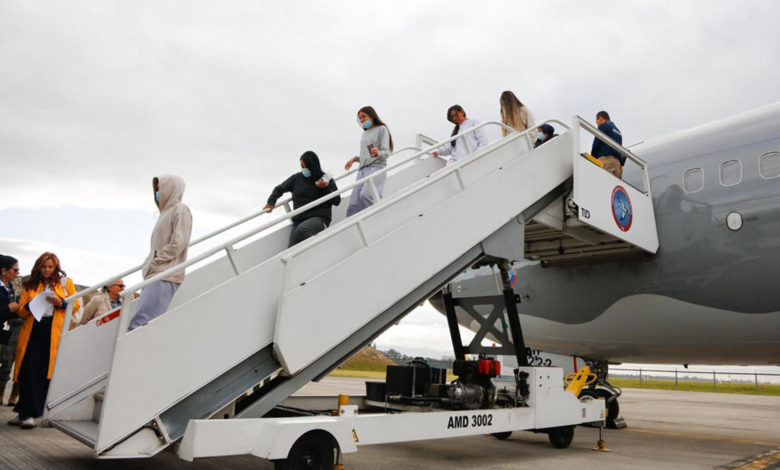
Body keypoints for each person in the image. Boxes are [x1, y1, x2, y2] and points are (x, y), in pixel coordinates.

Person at [9, 252, 79, 429]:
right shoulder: (29, 283)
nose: (47, 270)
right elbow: (21, 311)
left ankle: (29, 413)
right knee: (27, 369)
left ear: (56, 268)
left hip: (52, 330)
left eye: (51, 267)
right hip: (34, 328)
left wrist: (60, 302)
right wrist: (31, 306)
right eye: (44, 266)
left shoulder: (65, 283)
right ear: (38, 267)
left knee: (42, 372)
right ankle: (25, 412)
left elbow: (75, 304)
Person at [128, 175, 193, 331]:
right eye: (156, 189)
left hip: (165, 273)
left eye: (160, 188)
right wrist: (151, 262)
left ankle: (135, 354)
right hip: (155, 272)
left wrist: (158, 259)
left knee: (141, 323)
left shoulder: (180, 210)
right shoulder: (165, 213)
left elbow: (180, 240)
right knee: (142, 322)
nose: (157, 192)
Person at [265, 151, 341, 247]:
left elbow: (337, 201)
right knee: (291, 250)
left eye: (305, 167)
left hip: (319, 219)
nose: (303, 169)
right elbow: (279, 189)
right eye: (301, 167)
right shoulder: (296, 178)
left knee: (302, 230)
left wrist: (324, 188)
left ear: (312, 166)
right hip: (298, 221)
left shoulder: (325, 178)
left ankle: (321, 248)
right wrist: (271, 202)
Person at [344, 106, 394, 217]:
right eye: (359, 118)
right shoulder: (364, 133)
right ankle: (351, 225)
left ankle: (376, 217)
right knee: (353, 203)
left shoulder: (382, 129)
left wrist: (378, 153)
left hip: (376, 167)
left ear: (371, 116)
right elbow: (367, 155)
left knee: (365, 195)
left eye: (363, 116)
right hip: (362, 169)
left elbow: (386, 152)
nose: (361, 120)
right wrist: (355, 159)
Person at [0, 255, 21, 406]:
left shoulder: (9, 288)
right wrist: (8, 308)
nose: (17, 273)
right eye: (15, 269)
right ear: (4, 271)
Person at [590, 111, 624, 178]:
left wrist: (593, 158)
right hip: (617, 164)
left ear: (600, 118)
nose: (597, 124)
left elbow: (596, 144)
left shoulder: (603, 126)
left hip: (605, 160)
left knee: (601, 182)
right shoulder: (618, 131)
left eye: (597, 121)